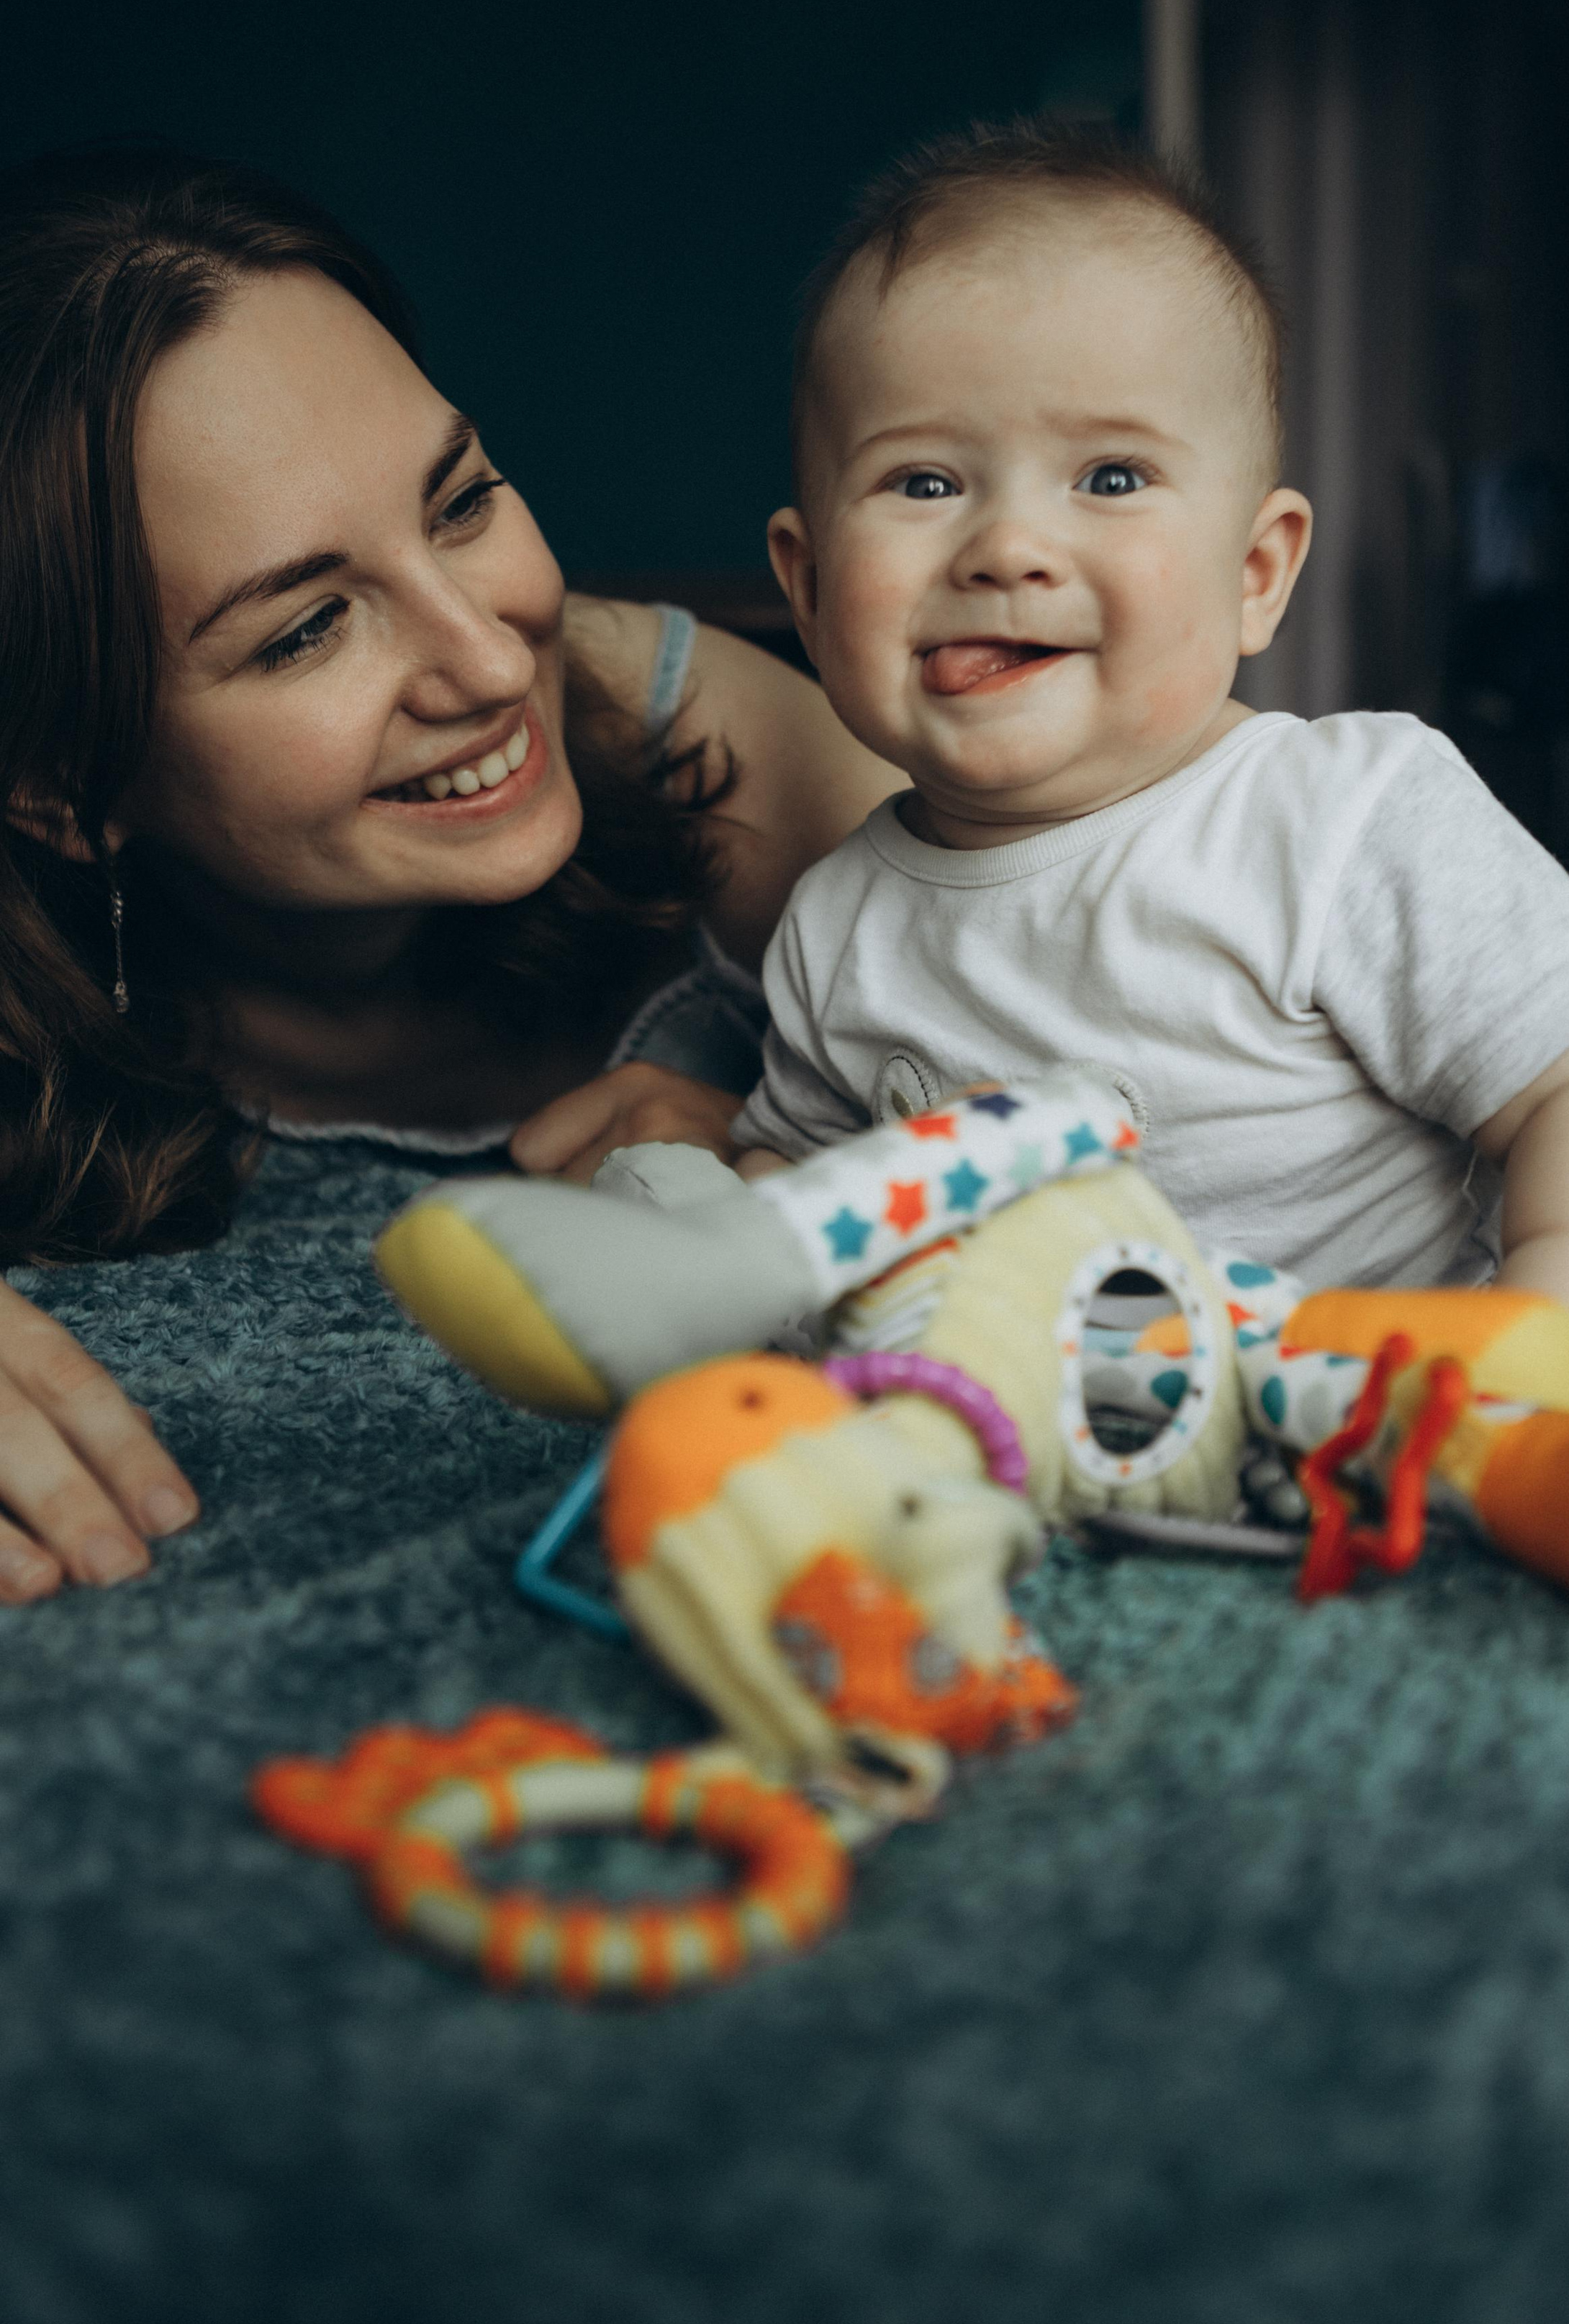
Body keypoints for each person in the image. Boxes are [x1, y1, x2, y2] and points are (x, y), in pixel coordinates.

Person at [732, 123, 1569, 1399]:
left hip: (1444, 1319)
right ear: (810, 591)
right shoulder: (833, 922)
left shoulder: (1338, 815)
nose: (1008, 547)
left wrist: (1560, 1363)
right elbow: (802, 1180)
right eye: (924, 482)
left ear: (1255, 578)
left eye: (1108, 475)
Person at [0, 148, 897, 1604]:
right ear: (62, 784)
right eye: (305, 630)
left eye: (462, 501)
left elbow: (1178, 1031)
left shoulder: (669, 721)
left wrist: (826, 1167)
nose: (491, 659)